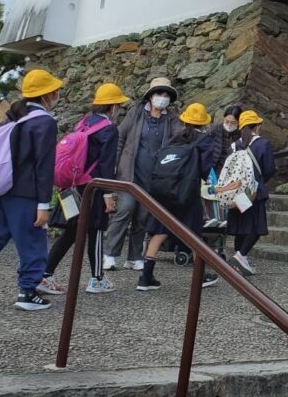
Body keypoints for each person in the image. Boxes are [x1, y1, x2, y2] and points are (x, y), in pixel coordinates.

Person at [0, 68, 63, 311]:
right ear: (47, 95)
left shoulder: (14, 119)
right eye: (55, 90)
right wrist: (44, 204)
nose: (57, 93)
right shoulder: (44, 122)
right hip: (25, 195)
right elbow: (43, 167)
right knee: (32, 243)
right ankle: (27, 293)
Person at [39, 82, 129, 296]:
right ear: (113, 106)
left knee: (71, 231)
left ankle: (45, 273)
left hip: (73, 185)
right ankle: (97, 279)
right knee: (96, 230)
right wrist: (109, 193)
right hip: (94, 186)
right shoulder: (109, 129)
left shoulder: (84, 123)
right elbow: (107, 164)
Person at [138, 103, 221, 291]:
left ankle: (146, 277)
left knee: (159, 232)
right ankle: (201, 276)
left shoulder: (174, 139)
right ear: (204, 122)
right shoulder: (205, 141)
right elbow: (205, 170)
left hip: (163, 192)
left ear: (184, 120)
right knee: (193, 235)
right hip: (186, 194)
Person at [103, 76, 179, 271]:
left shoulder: (170, 119)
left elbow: (178, 141)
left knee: (143, 216)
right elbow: (120, 138)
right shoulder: (136, 113)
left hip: (153, 176)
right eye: (159, 94)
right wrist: (116, 165)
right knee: (125, 210)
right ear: (151, 96)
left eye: (166, 95)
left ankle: (134, 256)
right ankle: (110, 254)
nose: (162, 98)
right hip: (129, 174)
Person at [223, 110, 275, 276]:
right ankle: (240, 255)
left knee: (241, 226)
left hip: (236, 192)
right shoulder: (263, 144)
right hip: (253, 193)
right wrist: (259, 181)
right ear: (257, 126)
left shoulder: (234, 145)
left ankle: (239, 261)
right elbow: (269, 169)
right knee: (256, 226)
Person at [210, 104, 242, 178]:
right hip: (213, 167)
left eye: (233, 122)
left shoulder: (242, 134)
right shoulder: (216, 129)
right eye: (227, 121)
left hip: (232, 170)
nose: (229, 124)